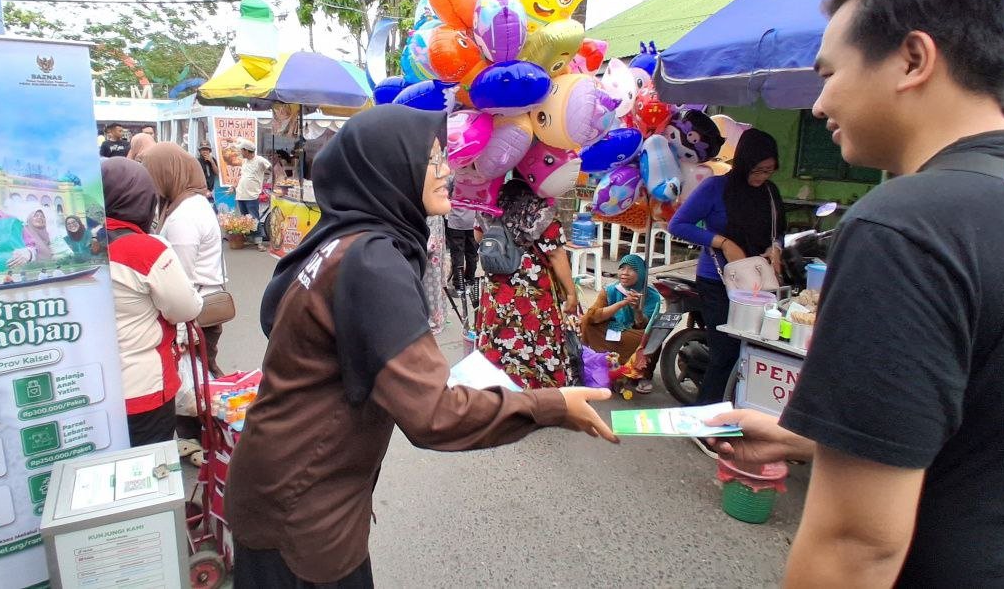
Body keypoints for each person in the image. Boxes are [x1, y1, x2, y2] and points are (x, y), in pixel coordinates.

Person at [717, 0, 1004, 587]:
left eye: (828, 74)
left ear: (912, 58)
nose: (819, 104)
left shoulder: (905, 226)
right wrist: (811, 437)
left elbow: (856, 544)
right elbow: (985, 435)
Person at [225, 105, 617, 588]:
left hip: (287, 482)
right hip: (303, 503)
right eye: (433, 159)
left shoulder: (342, 239)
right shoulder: (372, 261)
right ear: (389, 166)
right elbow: (434, 414)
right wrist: (552, 405)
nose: (448, 170)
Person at [668, 127, 786, 406]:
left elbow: (778, 229)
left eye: (768, 171)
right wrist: (722, 242)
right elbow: (678, 225)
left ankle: (738, 409)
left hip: (757, 282)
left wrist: (776, 248)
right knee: (726, 352)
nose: (762, 177)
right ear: (744, 162)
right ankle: (705, 418)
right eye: (757, 170)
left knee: (753, 349)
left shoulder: (770, 192)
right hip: (719, 281)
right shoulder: (715, 188)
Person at [101, 157, 203, 447]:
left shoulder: (76, 247)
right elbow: (186, 308)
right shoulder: (145, 249)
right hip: (141, 387)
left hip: (91, 391)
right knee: (147, 476)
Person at [474, 179, 579, 389]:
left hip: (498, 289)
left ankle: (500, 395)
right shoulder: (541, 209)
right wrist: (571, 293)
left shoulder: (492, 202)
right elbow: (557, 255)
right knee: (536, 341)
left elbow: (479, 237)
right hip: (533, 293)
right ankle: (538, 397)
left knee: (499, 337)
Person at [142, 143, 226, 377]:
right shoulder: (192, 202)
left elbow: (180, 279)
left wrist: (180, 334)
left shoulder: (184, 216)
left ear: (169, 173)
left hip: (193, 317)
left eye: (153, 172)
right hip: (200, 309)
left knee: (198, 384)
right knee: (203, 377)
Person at [580, 253, 662, 393]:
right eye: (622, 268)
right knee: (586, 323)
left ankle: (641, 375)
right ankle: (601, 365)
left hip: (632, 332)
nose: (625, 273)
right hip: (611, 328)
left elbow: (645, 326)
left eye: (631, 269)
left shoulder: (651, 296)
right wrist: (622, 303)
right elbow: (593, 316)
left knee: (652, 337)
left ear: (641, 273)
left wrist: (637, 310)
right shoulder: (611, 290)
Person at [234, 139, 271, 251]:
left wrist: (275, 179)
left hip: (251, 195)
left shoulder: (259, 160)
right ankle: (250, 238)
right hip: (241, 194)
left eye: (242, 150)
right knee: (245, 218)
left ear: (246, 150)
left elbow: (271, 168)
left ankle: (259, 242)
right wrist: (233, 187)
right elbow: (242, 177)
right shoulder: (244, 162)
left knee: (254, 218)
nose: (241, 152)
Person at [444, 203, 478, 300]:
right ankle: (470, 282)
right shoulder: (478, 186)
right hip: (473, 221)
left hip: (455, 221)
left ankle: (459, 286)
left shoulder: (454, 186)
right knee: (472, 253)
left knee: (457, 254)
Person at [422, 214, 448, 334]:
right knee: (435, 283)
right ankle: (436, 317)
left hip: (430, 244)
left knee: (431, 283)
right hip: (433, 234)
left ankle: (433, 318)